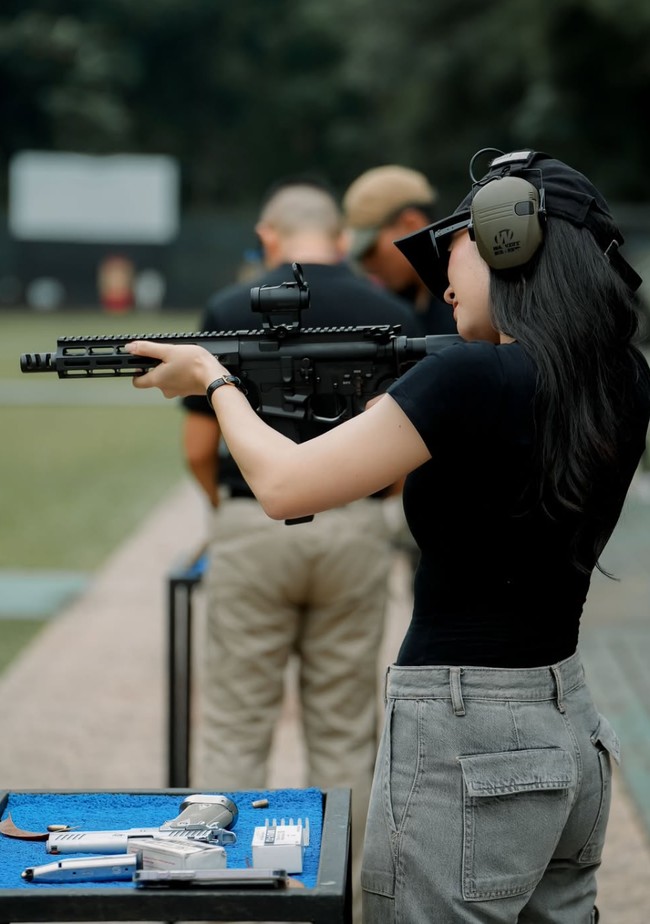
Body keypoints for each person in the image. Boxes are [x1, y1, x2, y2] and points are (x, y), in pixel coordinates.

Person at [127, 149, 650, 923]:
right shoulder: (624, 379)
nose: (442, 284)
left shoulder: (467, 381)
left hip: (462, 730)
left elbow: (284, 486)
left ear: (512, 243)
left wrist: (214, 378)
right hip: (567, 723)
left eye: (457, 253)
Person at [179, 179, 420, 922]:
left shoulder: (228, 311)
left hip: (254, 525)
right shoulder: (389, 313)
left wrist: (232, 514)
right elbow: (407, 445)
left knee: (234, 723)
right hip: (351, 528)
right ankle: (333, 900)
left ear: (271, 236)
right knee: (343, 726)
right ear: (339, 237)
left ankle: (224, 895)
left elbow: (198, 447)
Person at [342, 164, 458, 335]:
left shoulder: (463, 302)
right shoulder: (412, 301)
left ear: (412, 225)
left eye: (371, 250)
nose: (367, 265)